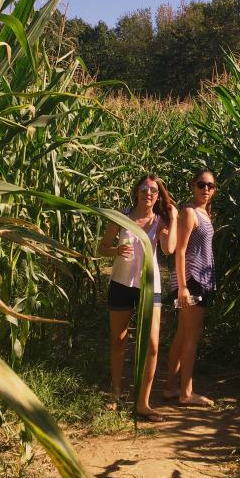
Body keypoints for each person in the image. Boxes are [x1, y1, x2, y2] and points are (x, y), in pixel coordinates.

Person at [98, 174, 177, 421]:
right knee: (118, 341)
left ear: (157, 196)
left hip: (148, 287)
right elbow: (102, 248)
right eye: (144, 189)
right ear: (136, 192)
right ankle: (116, 393)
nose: (149, 193)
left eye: (154, 190)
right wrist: (116, 250)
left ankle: (143, 402)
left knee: (152, 345)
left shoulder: (160, 220)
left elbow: (168, 249)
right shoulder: (121, 217)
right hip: (121, 284)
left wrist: (173, 218)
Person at [164, 169, 217, 407]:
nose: (206, 189)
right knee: (191, 336)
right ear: (192, 186)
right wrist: (183, 287)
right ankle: (187, 392)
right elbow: (181, 250)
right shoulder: (190, 212)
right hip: (192, 281)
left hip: (197, 281)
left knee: (183, 333)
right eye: (201, 184)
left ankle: (170, 388)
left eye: (210, 185)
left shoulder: (205, 213)